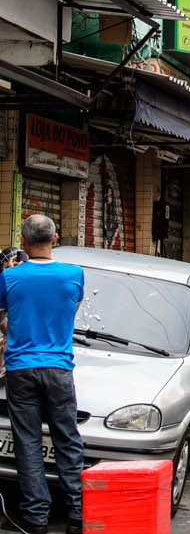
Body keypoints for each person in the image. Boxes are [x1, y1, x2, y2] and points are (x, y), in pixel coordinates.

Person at [0, 215, 85, 534]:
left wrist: (17, 329)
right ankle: (77, 514)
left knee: (28, 442)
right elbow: (68, 315)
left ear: (22, 241)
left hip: (21, 370)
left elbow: (4, 321)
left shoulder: (9, 278)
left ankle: (36, 518)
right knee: (67, 440)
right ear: (55, 238)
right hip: (60, 369)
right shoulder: (74, 274)